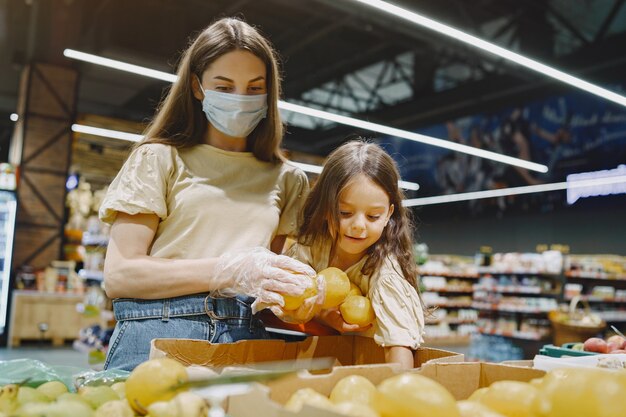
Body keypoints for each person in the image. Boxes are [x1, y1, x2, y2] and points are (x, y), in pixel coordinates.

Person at [98, 17, 315, 371]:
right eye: (225, 87)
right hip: (159, 333)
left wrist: (306, 299)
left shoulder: (288, 179)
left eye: (254, 88)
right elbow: (120, 275)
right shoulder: (159, 158)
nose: (241, 99)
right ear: (198, 87)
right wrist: (228, 270)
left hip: (246, 337)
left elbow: (271, 285)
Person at [283, 140, 426, 369]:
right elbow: (287, 303)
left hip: (367, 370)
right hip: (315, 363)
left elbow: (400, 348)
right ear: (326, 207)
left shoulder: (385, 271)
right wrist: (325, 314)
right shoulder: (310, 248)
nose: (358, 225)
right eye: (345, 212)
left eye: (373, 216)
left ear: (389, 213)